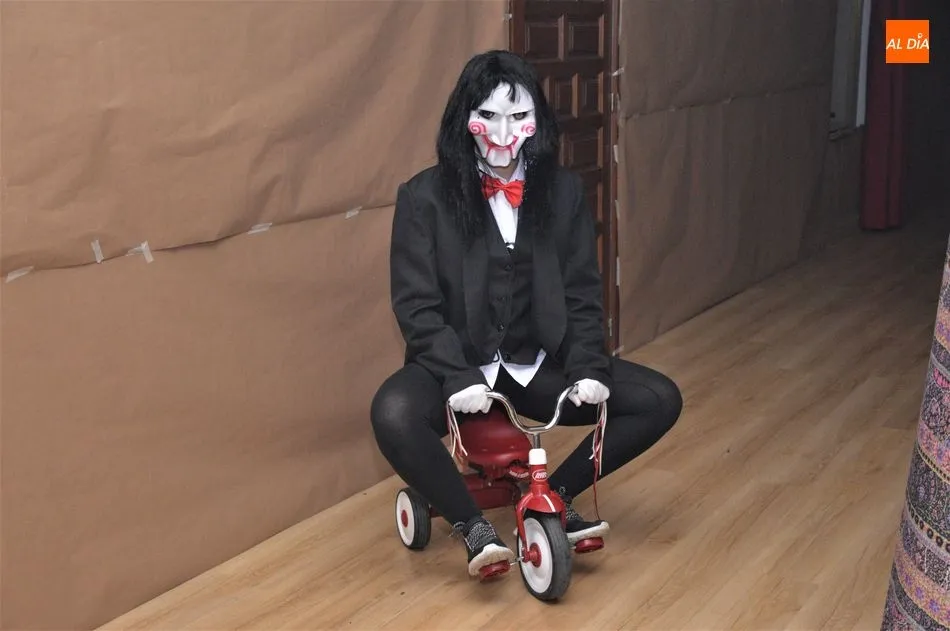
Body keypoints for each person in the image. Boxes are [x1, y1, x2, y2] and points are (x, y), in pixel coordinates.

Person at [370, 50, 682, 578]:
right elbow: (416, 305)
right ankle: (473, 526)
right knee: (392, 412)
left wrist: (587, 364)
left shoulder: (563, 191)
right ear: (464, 118)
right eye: (488, 116)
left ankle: (555, 495)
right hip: (457, 367)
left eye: (518, 116)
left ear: (537, 120)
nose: (502, 132)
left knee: (659, 399)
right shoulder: (423, 197)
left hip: (533, 366)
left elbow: (582, 293)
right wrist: (456, 375)